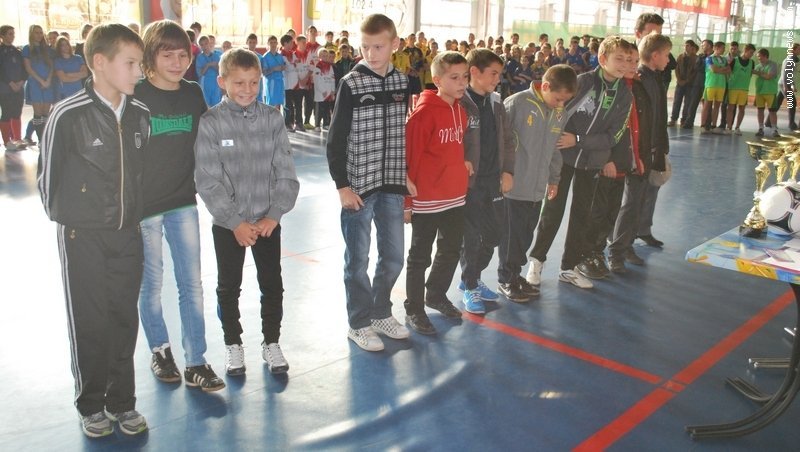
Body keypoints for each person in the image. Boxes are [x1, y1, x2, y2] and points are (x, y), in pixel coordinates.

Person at [37, 23, 151, 438]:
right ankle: (91, 405)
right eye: (131, 63)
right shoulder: (68, 115)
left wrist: (130, 216)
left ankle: (122, 401)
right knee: (90, 320)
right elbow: (49, 182)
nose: (139, 72)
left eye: (140, 63)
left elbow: (140, 175)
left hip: (127, 234)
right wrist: (79, 220)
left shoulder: (140, 114)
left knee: (123, 317)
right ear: (99, 63)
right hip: (82, 236)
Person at [194, 48, 300, 375]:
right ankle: (233, 344)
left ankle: (271, 342)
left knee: (272, 284)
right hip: (229, 225)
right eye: (239, 83)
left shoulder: (272, 119)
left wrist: (274, 215)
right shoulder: (211, 123)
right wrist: (234, 222)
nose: (247, 89)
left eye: (254, 82)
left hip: (267, 222)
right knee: (228, 286)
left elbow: (286, 171)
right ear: (222, 82)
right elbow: (207, 180)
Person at [134, 20, 225, 392]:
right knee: (152, 284)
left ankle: (196, 361)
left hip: (183, 202)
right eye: (167, 55)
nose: (176, 62)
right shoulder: (136, 94)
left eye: (182, 55)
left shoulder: (191, 93)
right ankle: (160, 349)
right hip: (144, 208)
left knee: (192, 284)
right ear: (150, 57)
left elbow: (209, 142)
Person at [326, 14, 413, 352]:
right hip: (359, 189)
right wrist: (342, 186)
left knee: (394, 257)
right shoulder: (351, 83)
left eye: (378, 47)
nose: (371, 54)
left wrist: (405, 174)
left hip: (391, 185)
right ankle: (359, 323)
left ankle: (380, 313)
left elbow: (402, 134)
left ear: (395, 45)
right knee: (358, 261)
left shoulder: (403, 82)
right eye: (365, 47)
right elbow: (335, 139)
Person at [526, 37, 632, 290]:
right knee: (552, 211)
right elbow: (557, 111)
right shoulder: (582, 82)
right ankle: (537, 261)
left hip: (592, 162)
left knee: (582, 215)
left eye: (628, 60)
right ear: (602, 59)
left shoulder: (625, 95)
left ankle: (568, 268)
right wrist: (553, 143)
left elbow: (615, 135)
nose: (624, 64)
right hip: (562, 158)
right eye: (618, 58)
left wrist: (579, 140)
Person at [403, 51, 469, 334]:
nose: (462, 82)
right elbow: (410, 160)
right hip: (427, 198)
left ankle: (436, 294)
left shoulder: (461, 111)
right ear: (438, 80)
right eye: (455, 77)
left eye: (465, 76)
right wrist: (407, 202)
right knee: (420, 256)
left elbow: (453, 148)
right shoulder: (423, 114)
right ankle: (414, 308)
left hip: (455, 195)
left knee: (451, 249)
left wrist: (462, 166)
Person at [497, 64, 576, 301]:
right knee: (512, 237)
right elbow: (499, 142)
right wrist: (502, 173)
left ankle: (515, 274)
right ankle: (506, 279)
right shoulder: (517, 104)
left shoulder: (559, 113)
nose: (560, 104)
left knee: (526, 235)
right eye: (558, 99)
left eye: (565, 101)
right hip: (514, 186)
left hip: (537, 188)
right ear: (546, 86)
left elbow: (555, 149)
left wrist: (554, 179)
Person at [458, 48, 515, 313]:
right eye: (493, 73)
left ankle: (471, 278)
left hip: (494, 180)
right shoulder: (460, 102)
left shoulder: (496, 102)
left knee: (494, 234)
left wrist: (508, 171)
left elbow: (508, 140)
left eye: (499, 74)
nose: (497, 79)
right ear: (474, 72)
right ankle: (470, 286)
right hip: (469, 184)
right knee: (470, 238)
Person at [605, 45, 651, 273]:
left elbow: (643, 125)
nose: (631, 65)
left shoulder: (639, 87)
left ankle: (622, 247)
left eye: (634, 61)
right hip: (613, 159)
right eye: (624, 60)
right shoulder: (612, 89)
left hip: (636, 156)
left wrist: (642, 155)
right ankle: (613, 251)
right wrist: (608, 159)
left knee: (632, 204)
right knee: (610, 208)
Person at [23, 24, 55, 142]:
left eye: (41, 32)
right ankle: (41, 140)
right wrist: (41, 80)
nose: (39, 35)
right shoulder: (27, 48)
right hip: (35, 82)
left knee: (46, 113)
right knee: (38, 113)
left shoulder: (47, 49)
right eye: (36, 32)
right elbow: (28, 68)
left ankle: (46, 138)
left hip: (48, 82)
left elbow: (52, 66)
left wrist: (48, 80)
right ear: (31, 34)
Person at [0, 25, 27, 151]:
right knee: (6, 113)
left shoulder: (17, 51)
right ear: (2, 35)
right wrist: (11, 83)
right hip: (5, 89)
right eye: (10, 34)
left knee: (17, 112)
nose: (12, 36)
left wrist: (21, 82)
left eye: (13, 34)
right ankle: (7, 142)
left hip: (19, 87)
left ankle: (17, 138)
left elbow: (24, 69)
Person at [724, 43, 755, 135]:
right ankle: (729, 127)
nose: (751, 54)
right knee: (730, 108)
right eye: (750, 52)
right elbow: (728, 71)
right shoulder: (735, 60)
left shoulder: (752, 62)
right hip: (733, 88)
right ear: (745, 51)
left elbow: (750, 74)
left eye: (752, 53)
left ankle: (737, 127)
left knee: (742, 109)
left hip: (744, 89)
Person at [700, 42, 730, 134]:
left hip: (721, 85)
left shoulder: (724, 59)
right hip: (711, 84)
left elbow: (729, 70)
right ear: (716, 48)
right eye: (722, 48)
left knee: (717, 106)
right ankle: (703, 125)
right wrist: (722, 70)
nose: (724, 50)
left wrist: (719, 70)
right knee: (707, 105)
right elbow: (713, 70)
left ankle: (713, 125)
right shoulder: (709, 58)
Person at [669, 40, 698, 127]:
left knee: (687, 102)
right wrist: (679, 80)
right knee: (677, 101)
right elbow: (676, 69)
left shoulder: (695, 58)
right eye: (685, 45)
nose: (686, 47)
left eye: (688, 45)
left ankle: (684, 120)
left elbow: (695, 72)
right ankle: (673, 119)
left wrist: (687, 80)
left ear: (692, 47)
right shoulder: (680, 57)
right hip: (680, 83)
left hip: (690, 84)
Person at [753, 48, 779, 137]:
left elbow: (769, 76)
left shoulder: (773, 65)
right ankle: (760, 128)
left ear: (765, 56)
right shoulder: (758, 66)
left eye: (759, 56)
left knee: (772, 111)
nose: (758, 58)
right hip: (759, 92)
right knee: (760, 110)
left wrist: (758, 73)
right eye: (757, 57)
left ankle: (774, 129)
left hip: (770, 91)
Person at [53, 36, 88, 100]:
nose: (65, 46)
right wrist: (78, 77)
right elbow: (63, 78)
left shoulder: (78, 58)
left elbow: (85, 73)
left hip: (78, 91)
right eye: (62, 45)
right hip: (65, 93)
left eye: (67, 44)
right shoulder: (58, 61)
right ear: (59, 47)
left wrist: (69, 74)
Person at [311, 47, 335, 131]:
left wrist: (332, 90)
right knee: (319, 109)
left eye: (326, 56)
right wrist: (323, 90)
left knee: (327, 109)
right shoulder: (318, 66)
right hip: (321, 93)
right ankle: (317, 125)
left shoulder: (330, 66)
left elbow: (332, 78)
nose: (325, 57)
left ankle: (326, 123)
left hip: (328, 92)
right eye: (323, 56)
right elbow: (317, 80)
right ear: (320, 56)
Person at [195, 35, 222, 107]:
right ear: (199, 46)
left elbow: (220, 72)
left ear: (209, 43)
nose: (204, 46)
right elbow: (200, 73)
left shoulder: (216, 56)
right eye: (202, 45)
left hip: (215, 83)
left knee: (216, 104)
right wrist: (208, 65)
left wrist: (215, 66)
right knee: (205, 104)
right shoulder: (200, 57)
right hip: (205, 83)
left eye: (206, 43)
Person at [262, 35, 286, 109]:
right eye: (271, 43)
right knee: (271, 104)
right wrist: (274, 69)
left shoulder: (279, 56)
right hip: (271, 83)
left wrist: (283, 67)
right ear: (268, 44)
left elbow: (283, 67)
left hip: (279, 82)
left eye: (274, 42)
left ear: (277, 43)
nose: (273, 44)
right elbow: (264, 72)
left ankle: (277, 116)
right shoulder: (265, 57)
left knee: (278, 103)